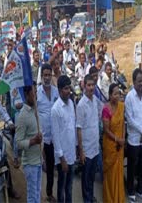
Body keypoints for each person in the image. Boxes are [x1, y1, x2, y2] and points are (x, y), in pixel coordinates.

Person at [125, 68, 142, 203]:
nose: (141, 83)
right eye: (139, 81)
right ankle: (131, 191)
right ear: (134, 81)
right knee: (132, 166)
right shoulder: (129, 97)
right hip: (134, 139)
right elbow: (130, 119)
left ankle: (141, 190)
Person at [51, 75, 76, 203]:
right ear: (60, 90)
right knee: (61, 188)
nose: (69, 91)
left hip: (71, 154)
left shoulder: (71, 103)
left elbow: (72, 128)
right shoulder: (55, 110)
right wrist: (62, 160)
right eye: (66, 89)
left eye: (69, 88)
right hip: (63, 158)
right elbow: (55, 137)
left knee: (69, 187)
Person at [16, 84, 43, 203]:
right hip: (30, 164)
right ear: (27, 95)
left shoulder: (35, 111)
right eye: (33, 93)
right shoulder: (23, 116)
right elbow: (18, 142)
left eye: (36, 92)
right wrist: (33, 141)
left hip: (38, 160)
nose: (36, 96)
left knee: (37, 192)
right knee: (32, 196)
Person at [76, 75, 100, 202]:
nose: (91, 87)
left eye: (93, 85)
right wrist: (81, 151)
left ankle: (90, 198)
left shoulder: (95, 100)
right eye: (89, 85)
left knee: (91, 177)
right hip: (86, 150)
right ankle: (87, 199)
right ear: (84, 86)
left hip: (95, 147)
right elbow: (79, 129)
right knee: (85, 180)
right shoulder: (81, 105)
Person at [37, 64, 59, 202]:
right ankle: (36, 196)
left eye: (48, 75)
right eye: (44, 75)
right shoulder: (37, 93)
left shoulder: (56, 91)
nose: (46, 77)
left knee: (51, 167)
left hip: (55, 137)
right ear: (41, 76)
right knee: (38, 168)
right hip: (41, 138)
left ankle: (49, 193)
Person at [102, 83, 125, 203]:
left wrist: (123, 138)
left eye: (118, 94)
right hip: (110, 145)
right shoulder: (106, 109)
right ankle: (110, 199)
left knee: (118, 173)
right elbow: (106, 130)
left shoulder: (121, 106)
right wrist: (117, 139)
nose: (117, 96)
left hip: (120, 145)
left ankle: (118, 198)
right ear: (110, 95)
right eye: (115, 94)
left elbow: (122, 125)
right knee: (110, 175)